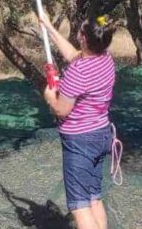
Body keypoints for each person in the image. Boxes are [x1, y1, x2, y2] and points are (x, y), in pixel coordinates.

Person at [38, 13, 118, 229]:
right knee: (93, 198)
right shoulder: (105, 59)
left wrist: (49, 97)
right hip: (101, 135)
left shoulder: (77, 71)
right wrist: (49, 28)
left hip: (80, 142)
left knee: (79, 206)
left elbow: (62, 110)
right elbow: (74, 55)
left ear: (83, 38)